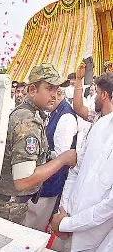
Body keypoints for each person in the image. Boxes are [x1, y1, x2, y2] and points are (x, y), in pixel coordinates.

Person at [0, 64, 77, 224]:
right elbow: (23, 180)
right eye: (49, 88)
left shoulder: (28, 113)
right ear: (32, 90)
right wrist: (62, 160)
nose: (54, 94)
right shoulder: (28, 121)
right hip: (10, 207)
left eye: (57, 89)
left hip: (8, 202)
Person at [51, 72, 113, 252]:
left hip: (93, 237)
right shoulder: (100, 124)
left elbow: (109, 205)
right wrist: (63, 210)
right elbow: (76, 170)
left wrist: (68, 224)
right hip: (68, 219)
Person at [25, 87, 77, 244]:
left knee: (34, 225)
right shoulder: (56, 111)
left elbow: (63, 156)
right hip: (43, 177)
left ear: (59, 94)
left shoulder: (66, 117)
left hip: (50, 181)